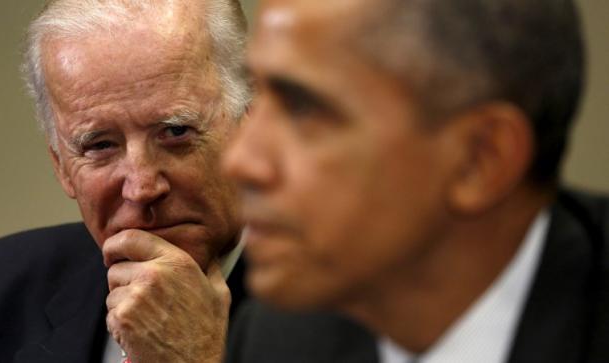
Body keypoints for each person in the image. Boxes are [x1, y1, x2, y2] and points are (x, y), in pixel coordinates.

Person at [223, 0, 609, 362]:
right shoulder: (280, 337)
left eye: (303, 108)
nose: (239, 161)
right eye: (259, 96)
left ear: (479, 159)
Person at [0, 0, 250, 362]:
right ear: (61, 167)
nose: (142, 187)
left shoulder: (338, 313)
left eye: (175, 131)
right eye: (100, 145)